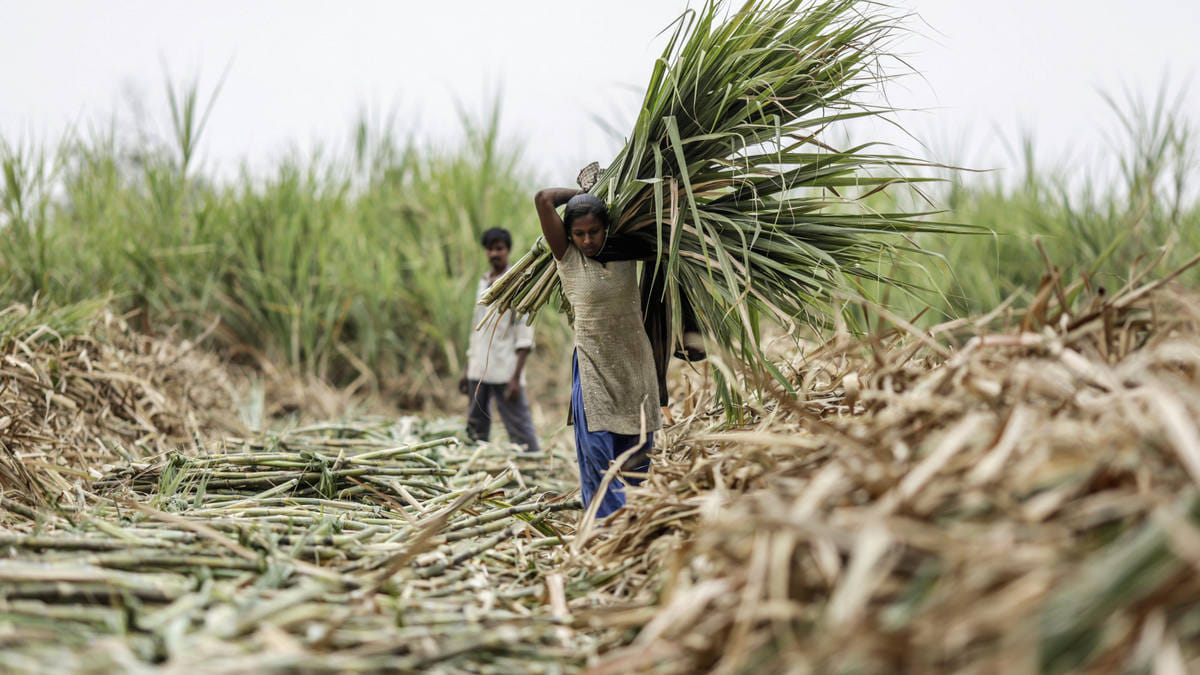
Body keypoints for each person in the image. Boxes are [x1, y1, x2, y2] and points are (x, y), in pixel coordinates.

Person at [534, 187, 662, 518]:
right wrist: (585, 192)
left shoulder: (628, 250)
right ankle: (608, 529)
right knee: (597, 454)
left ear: (607, 228)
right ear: (569, 234)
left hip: (635, 366)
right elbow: (543, 199)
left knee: (635, 458)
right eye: (579, 233)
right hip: (594, 367)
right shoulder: (568, 258)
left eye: (594, 231)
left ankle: (635, 525)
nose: (587, 240)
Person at [459, 227, 541, 453]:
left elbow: (524, 334)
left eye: (499, 248)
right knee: (475, 427)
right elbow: (476, 331)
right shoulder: (483, 282)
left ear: (508, 250)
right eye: (490, 249)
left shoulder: (517, 283)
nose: (494, 253)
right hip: (479, 369)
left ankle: (533, 463)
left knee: (520, 428)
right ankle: (475, 465)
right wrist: (467, 368)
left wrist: (516, 378)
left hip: (505, 369)